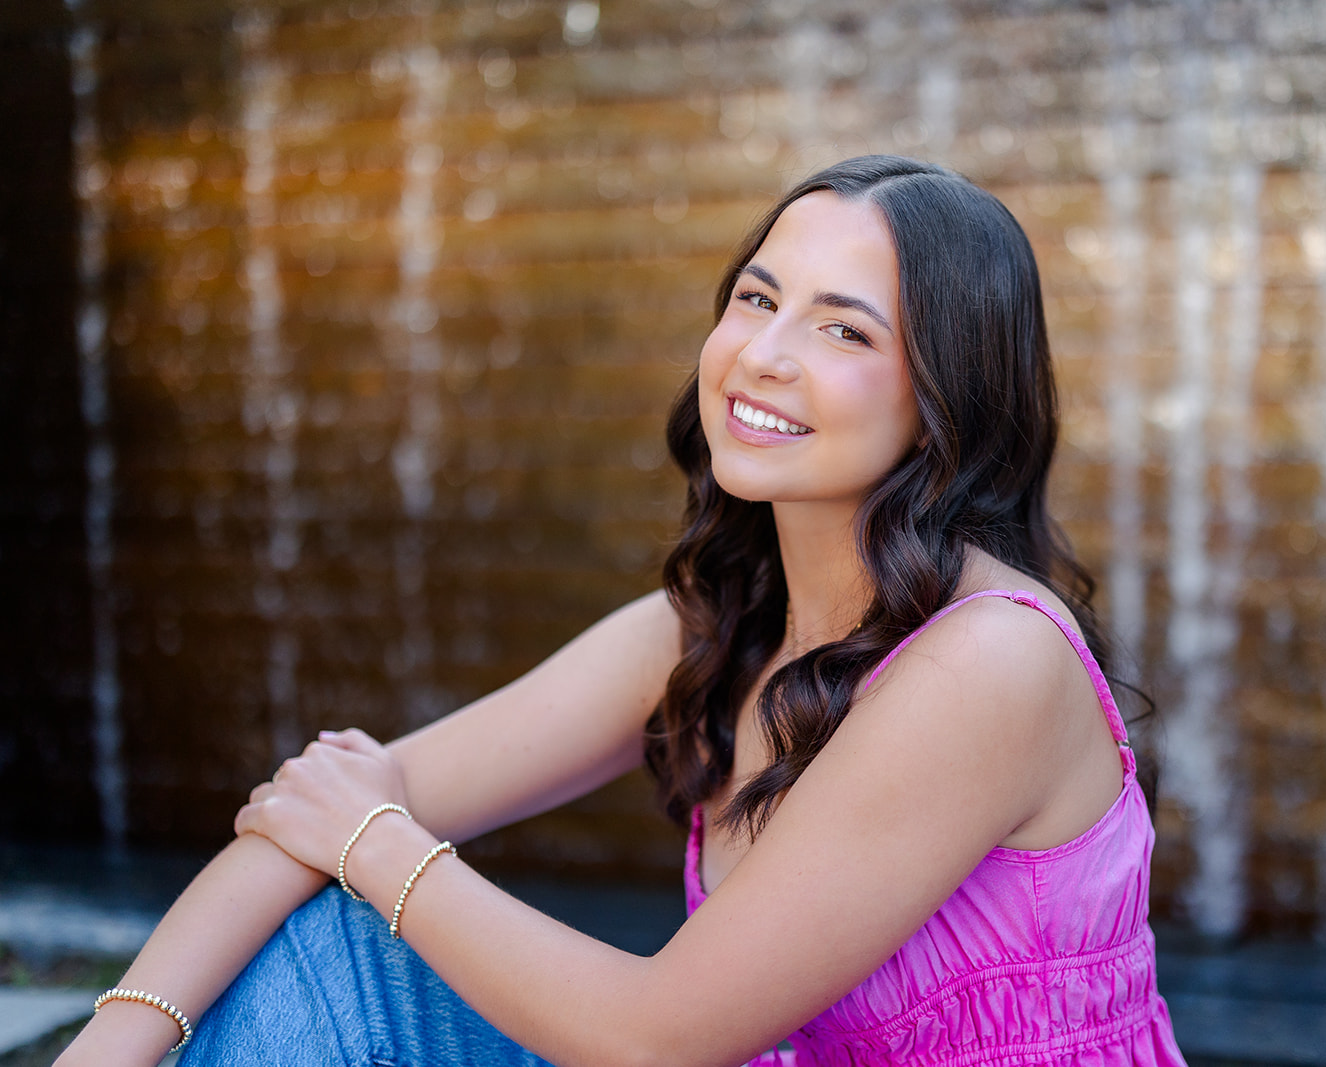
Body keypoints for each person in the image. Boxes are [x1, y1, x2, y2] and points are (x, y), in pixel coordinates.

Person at [58, 155, 1187, 1067]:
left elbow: (658, 1036)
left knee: (365, 910)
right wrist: (113, 1039)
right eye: (756, 297)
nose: (764, 354)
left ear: (948, 396)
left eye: (843, 329)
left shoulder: (990, 660)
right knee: (326, 944)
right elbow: (310, 812)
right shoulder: (720, 625)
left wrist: (376, 842)